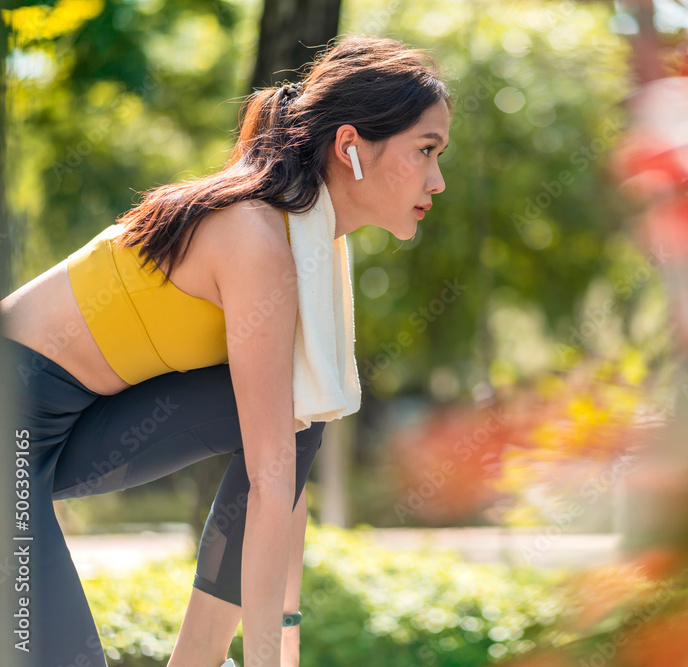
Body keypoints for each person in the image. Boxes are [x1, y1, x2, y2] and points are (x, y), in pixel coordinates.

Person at [0, 33, 451, 667]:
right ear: (350, 147)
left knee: (299, 412)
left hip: (71, 430)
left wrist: (284, 642)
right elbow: (269, 485)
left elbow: (282, 464)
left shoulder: (305, 248)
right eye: (425, 150)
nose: (437, 178)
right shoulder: (256, 237)